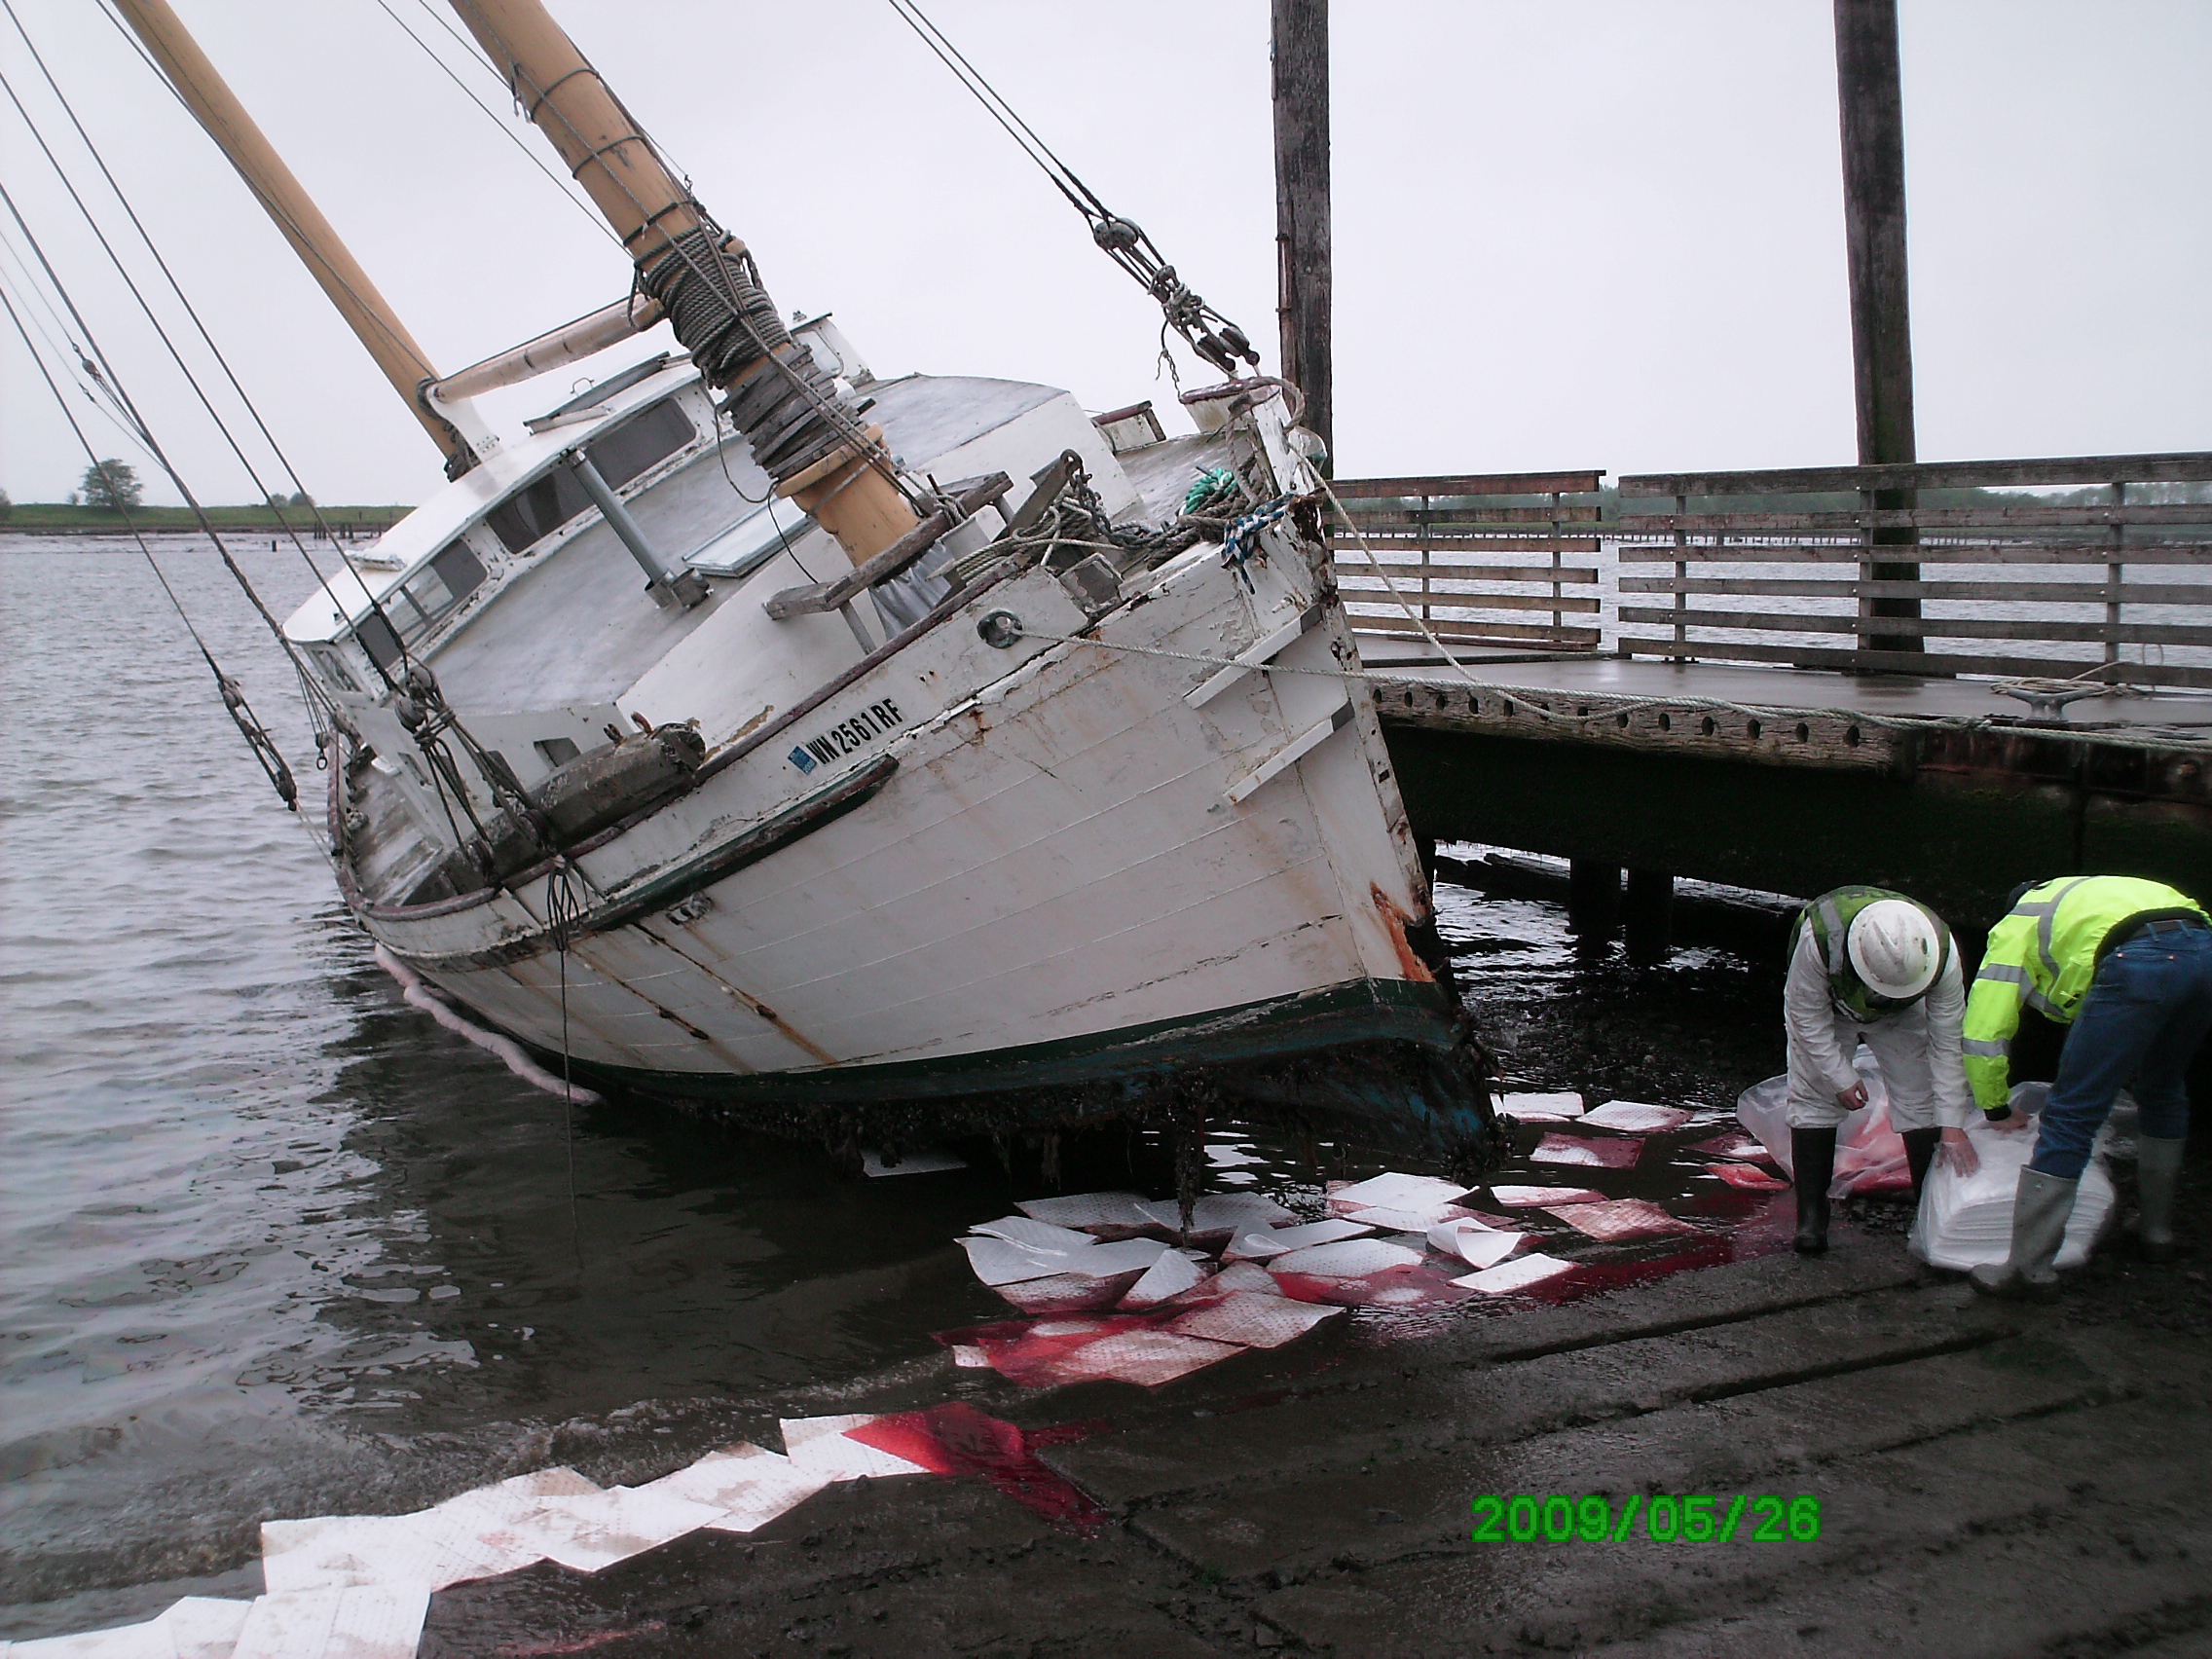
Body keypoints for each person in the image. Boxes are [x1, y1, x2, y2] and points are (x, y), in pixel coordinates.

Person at [1964, 875, 2211, 1298]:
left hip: (2138, 962)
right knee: (2163, 1087)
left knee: (2070, 1114)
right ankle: (2156, 1235)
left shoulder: (2019, 921)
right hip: (2203, 953)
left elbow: (1984, 1030)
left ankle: (2027, 1270)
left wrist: (1996, 1106)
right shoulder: (2090, 894)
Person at [1784, 886, 1976, 1254]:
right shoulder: (1820, 939)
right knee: (1813, 1094)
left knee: (1921, 1094)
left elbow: (1947, 1045)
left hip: (1905, 1016)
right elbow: (1805, 1015)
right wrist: (1839, 1076)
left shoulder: (1943, 954)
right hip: (1831, 1005)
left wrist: (1952, 1126)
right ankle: (1811, 1217)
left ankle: (1929, 1212)